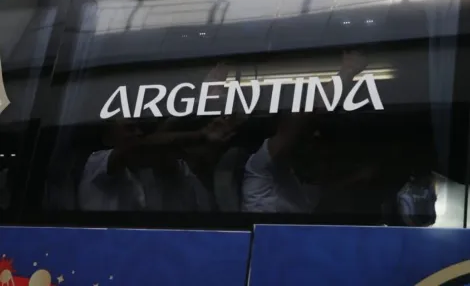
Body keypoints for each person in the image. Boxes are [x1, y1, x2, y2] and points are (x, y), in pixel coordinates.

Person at [242, 51, 370, 213]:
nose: (312, 144)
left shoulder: (305, 183)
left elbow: (335, 188)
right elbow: (306, 115)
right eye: (306, 138)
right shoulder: (260, 168)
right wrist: (348, 70)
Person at [78, 116, 236, 212]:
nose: (138, 133)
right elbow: (137, 147)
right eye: (130, 129)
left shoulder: (161, 173)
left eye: (140, 129)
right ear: (108, 138)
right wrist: (202, 135)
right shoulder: (97, 163)